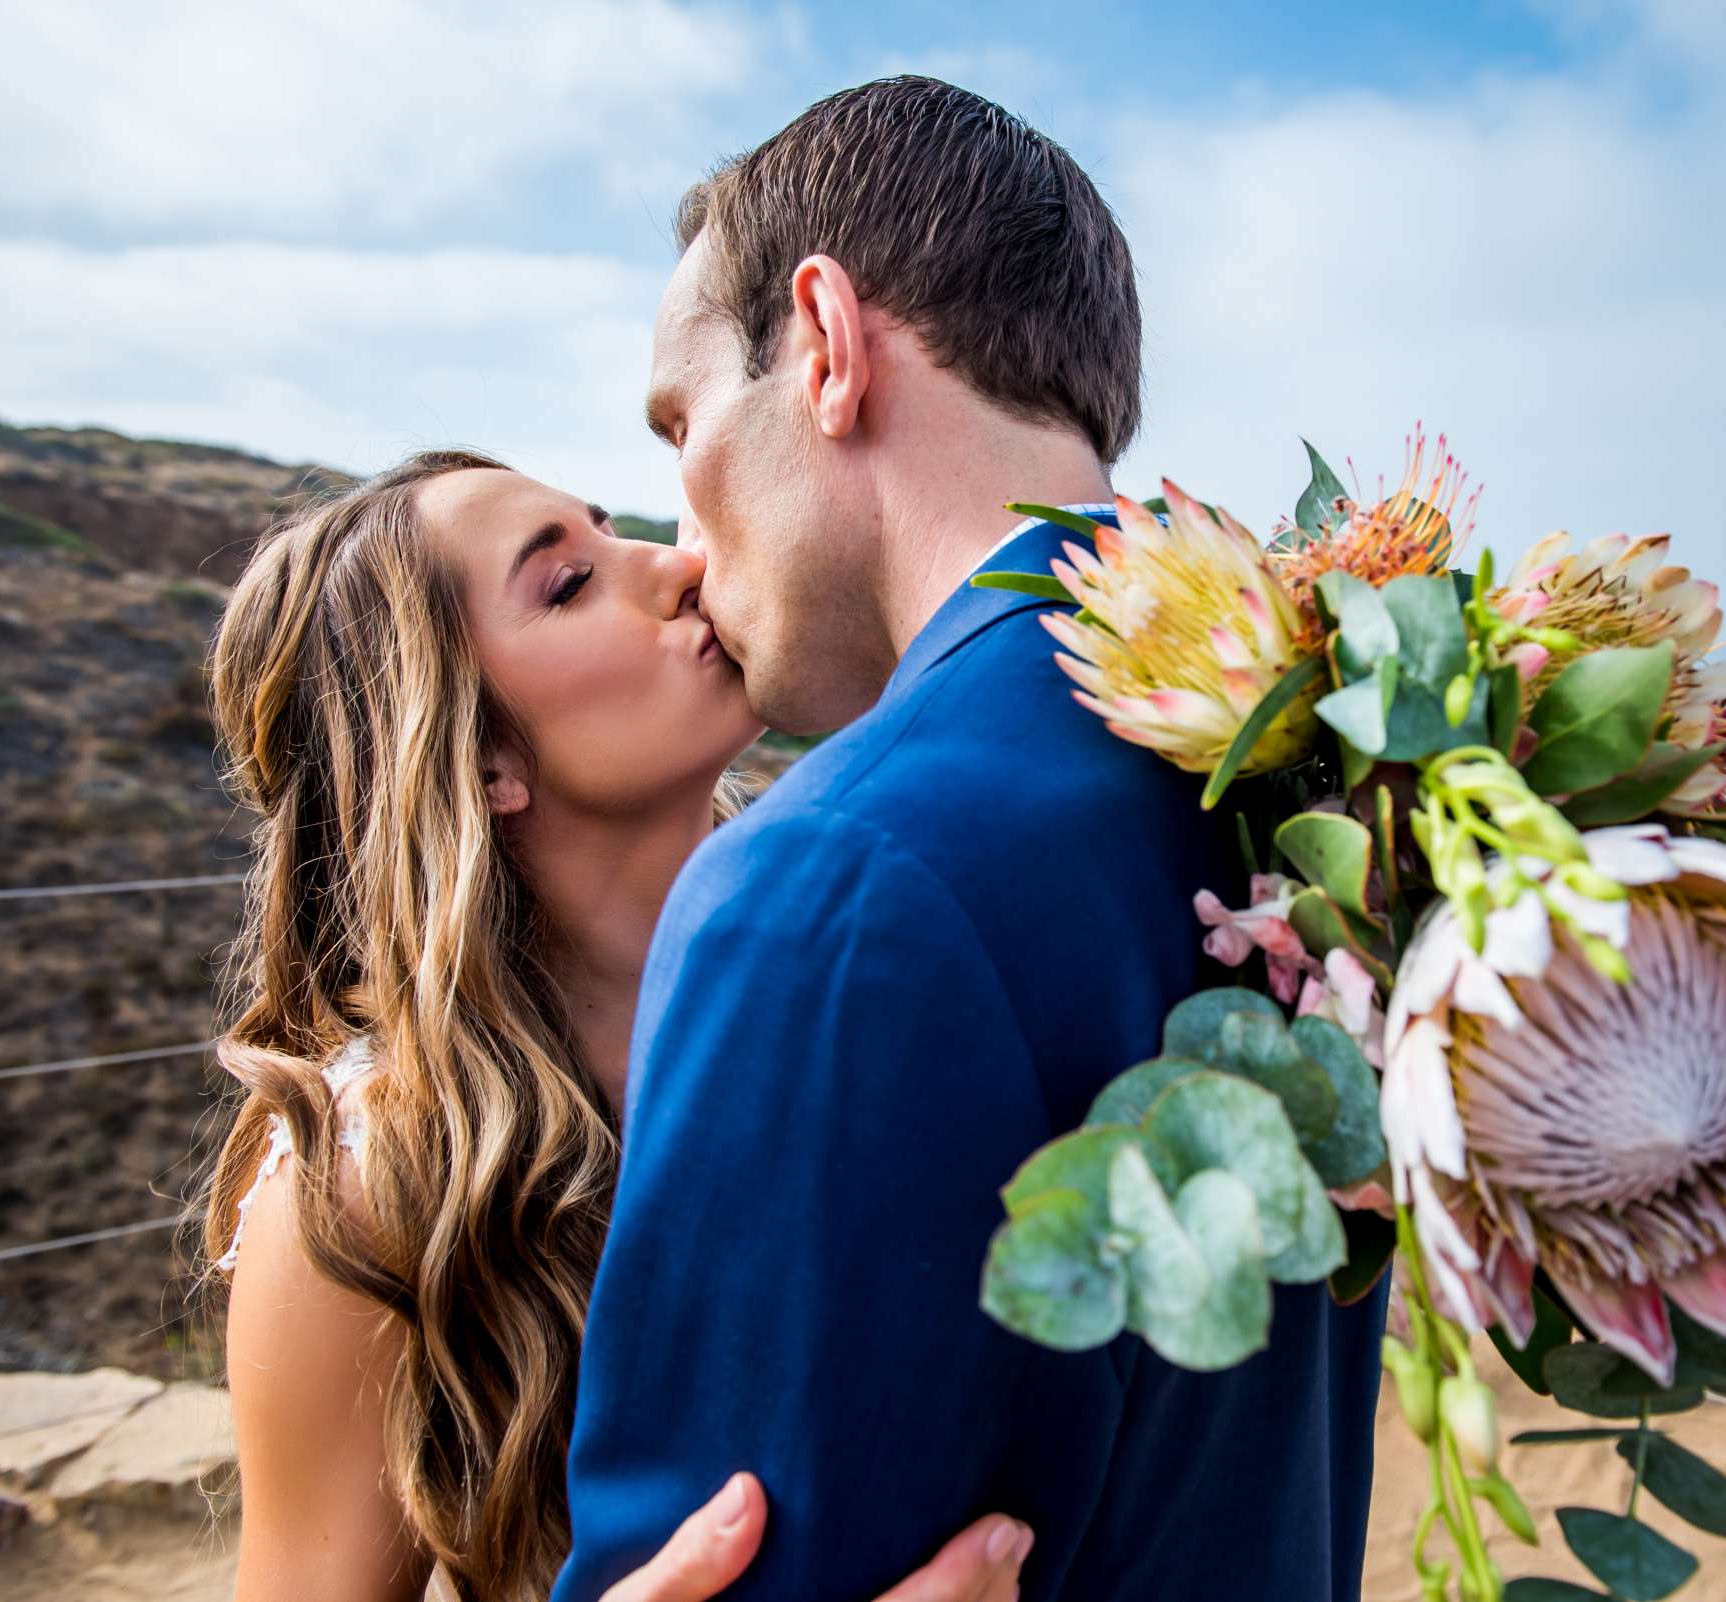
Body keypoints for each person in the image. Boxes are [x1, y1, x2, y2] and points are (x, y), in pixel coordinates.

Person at [556, 77, 1386, 1602]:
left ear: (824, 345)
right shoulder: (1312, 778)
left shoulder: (832, 880)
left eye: (682, 421)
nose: (680, 538)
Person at [200, 451, 1032, 1602]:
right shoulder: (361, 1189)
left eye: (612, 536)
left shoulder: (865, 985)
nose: (683, 566)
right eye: (568, 584)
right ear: (482, 755)